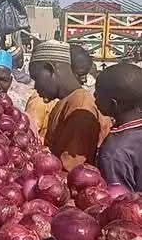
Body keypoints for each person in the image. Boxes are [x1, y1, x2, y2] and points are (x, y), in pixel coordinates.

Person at [29, 39, 108, 171]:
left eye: (36, 78)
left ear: (50, 69)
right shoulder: (66, 101)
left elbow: (71, 169)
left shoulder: (80, 107)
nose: (36, 86)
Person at [95, 62, 142, 191]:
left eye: (98, 92)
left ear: (113, 104)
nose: (94, 96)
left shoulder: (114, 152)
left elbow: (119, 201)